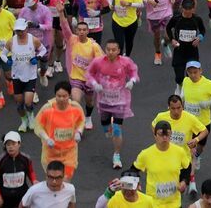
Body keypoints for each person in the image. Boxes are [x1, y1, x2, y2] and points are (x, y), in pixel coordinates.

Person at [87, 39, 139, 169]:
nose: (111, 52)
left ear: (118, 51)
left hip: (120, 100)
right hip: (104, 100)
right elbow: (89, 73)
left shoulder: (125, 62)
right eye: (108, 49)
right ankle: (106, 128)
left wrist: (132, 81)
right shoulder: (98, 62)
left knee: (117, 129)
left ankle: (116, 155)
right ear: (105, 50)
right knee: (106, 125)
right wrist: (94, 84)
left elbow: (133, 71)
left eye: (113, 50)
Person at [133, 120, 194, 207]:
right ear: (155, 135)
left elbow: (187, 167)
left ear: (171, 135)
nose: (164, 137)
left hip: (174, 203)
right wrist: (136, 183)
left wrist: (184, 181)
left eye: (167, 134)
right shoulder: (146, 154)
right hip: (153, 203)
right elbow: (133, 170)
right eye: (161, 134)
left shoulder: (179, 152)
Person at [33, 81, 86, 180]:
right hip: (51, 153)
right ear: (55, 95)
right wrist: (46, 138)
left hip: (69, 153)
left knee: (66, 181)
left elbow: (81, 121)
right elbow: (39, 126)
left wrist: (79, 132)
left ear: (69, 95)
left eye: (64, 96)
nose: (61, 99)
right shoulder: (47, 109)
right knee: (53, 181)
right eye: (59, 96)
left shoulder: (75, 109)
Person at [7, 17, 46, 132]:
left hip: (30, 75)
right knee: (19, 103)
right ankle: (24, 121)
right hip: (17, 75)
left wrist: (37, 58)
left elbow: (43, 50)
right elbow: (3, 54)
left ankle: (31, 117)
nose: (20, 33)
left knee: (28, 102)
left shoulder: (33, 40)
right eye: (17, 31)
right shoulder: (11, 41)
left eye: (22, 30)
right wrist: (7, 60)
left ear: (26, 29)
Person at [0, 131, 38, 208]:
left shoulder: (26, 159)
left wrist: (34, 180)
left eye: (13, 144)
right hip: (5, 198)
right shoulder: (0, 161)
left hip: (22, 196)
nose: (11, 147)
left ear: (19, 144)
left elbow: (30, 171)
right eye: (8, 144)